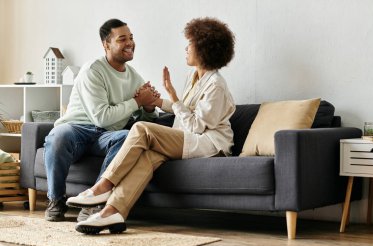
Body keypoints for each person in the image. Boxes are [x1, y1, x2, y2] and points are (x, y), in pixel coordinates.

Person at [66, 17, 236, 234]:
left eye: (190, 44)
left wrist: (174, 97)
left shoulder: (216, 85)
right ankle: (112, 213)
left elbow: (196, 125)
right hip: (188, 138)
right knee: (146, 158)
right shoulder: (193, 77)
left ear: (203, 49)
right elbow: (186, 112)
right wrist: (158, 102)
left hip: (210, 144)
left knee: (141, 129)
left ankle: (103, 186)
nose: (186, 48)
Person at [44, 18, 159, 222]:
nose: (130, 43)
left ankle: (94, 201)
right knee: (58, 136)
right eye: (122, 39)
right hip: (77, 129)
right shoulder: (92, 71)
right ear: (106, 44)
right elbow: (102, 117)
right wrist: (137, 101)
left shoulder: (135, 78)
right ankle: (55, 200)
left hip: (106, 136)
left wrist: (148, 107)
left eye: (131, 38)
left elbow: (144, 119)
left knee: (127, 137)